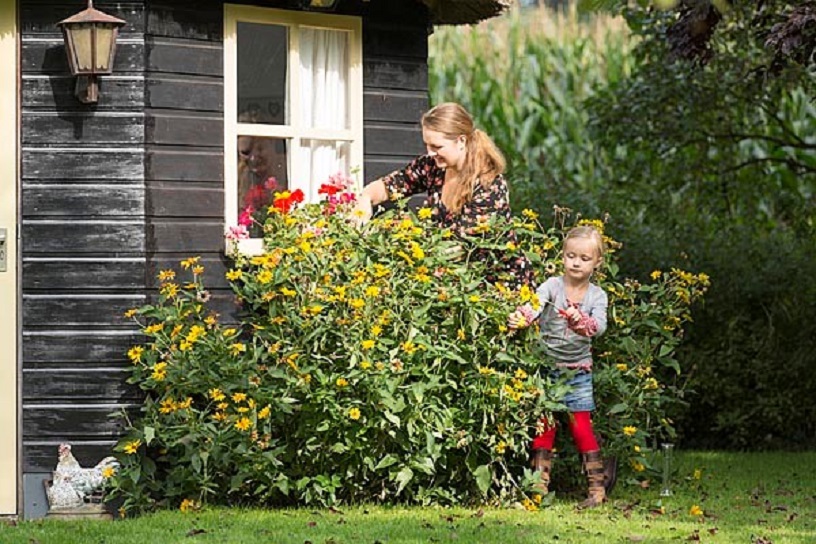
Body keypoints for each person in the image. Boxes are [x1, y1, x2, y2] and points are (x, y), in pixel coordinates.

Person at [353, 102, 534, 291]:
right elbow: (392, 184)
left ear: (461, 141)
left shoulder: (489, 185)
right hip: (451, 284)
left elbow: (458, 248)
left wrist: (397, 240)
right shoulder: (432, 167)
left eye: (437, 146)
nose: (430, 153)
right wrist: (365, 199)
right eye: (427, 145)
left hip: (498, 288)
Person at [507, 225, 609, 508]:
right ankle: (539, 488)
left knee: (581, 429)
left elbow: (598, 327)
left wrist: (581, 322)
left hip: (577, 372)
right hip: (548, 369)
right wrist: (523, 317)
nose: (576, 262)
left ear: (597, 262)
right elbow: (535, 304)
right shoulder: (552, 286)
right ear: (562, 256)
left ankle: (597, 490)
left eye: (584, 258)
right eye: (571, 256)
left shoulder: (597, 296)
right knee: (544, 427)